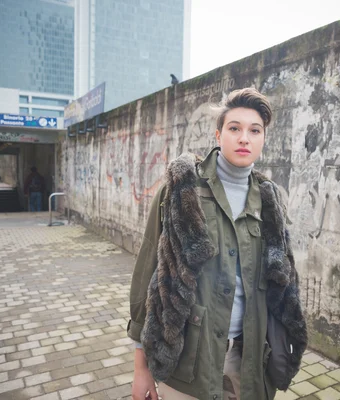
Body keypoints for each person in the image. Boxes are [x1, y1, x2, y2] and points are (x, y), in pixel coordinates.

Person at [128, 88, 307, 400]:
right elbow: (148, 277)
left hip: (249, 362)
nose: (244, 138)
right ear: (218, 134)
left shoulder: (271, 200)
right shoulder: (182, 190)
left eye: (255, 130)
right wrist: (141, 368)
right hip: (188, 362)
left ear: (263, 139)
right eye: (234, 128)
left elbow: (281, 283)